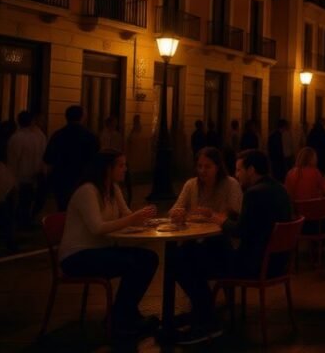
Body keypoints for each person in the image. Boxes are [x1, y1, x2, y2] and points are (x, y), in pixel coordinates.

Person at [175, 150, 293, 344]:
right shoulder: (279, 189)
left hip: (253, 266)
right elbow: (252, 224)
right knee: (199, 250)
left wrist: (217, 218)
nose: (237, 175)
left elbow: (240, 231)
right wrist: (226, 219)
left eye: (239, 170)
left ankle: (207, 321)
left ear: (251, 170)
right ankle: (202, 314)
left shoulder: (254, 193)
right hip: (275, 263)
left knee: (184, 261)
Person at [58, 149, 159, 337]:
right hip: (77, 256)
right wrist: (133, 219)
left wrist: (146, 220)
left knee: (149, 258)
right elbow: (97, 227)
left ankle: (123, 314)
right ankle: (121, 318)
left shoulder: (113, 188)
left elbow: (127, 215)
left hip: (100, 250)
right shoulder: (88, 190)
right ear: (107, 168)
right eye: (121, 165)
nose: (125, 169)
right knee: (131, 264)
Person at [44, 105, 100, 211]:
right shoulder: (90, 136)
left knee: (63, 209)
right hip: (82, 179)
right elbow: (95, 160)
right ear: (82, 117)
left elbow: (48, 159)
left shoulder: (58, 135)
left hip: (61, 179)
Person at [169, 147, 242, 219]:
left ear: (217, 168)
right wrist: (177, 213)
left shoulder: (231, 184)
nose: (202, 171)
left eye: (207, 167)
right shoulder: (191, 184)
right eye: (199, 166)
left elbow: (235, 216)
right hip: (195, 229)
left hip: (222, 230)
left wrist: (211, 214)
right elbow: (174, 210)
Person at [6, 110, 47, 228]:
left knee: (22, 202)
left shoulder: (16, 138)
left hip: (21, 176)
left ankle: (22, 222)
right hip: (35, 174)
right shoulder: (39, 136)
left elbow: (13, 160)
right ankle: (27, 221)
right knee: (29, 201)